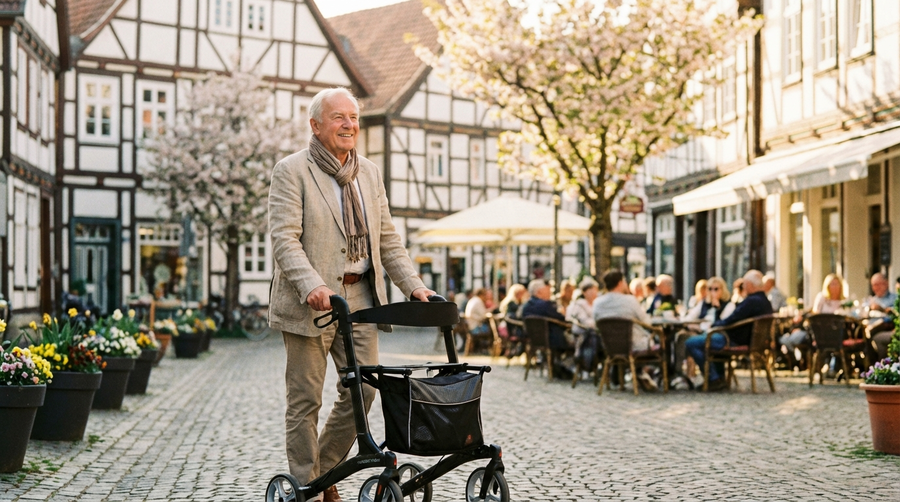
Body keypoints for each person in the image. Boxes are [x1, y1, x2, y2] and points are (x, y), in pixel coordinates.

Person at [268, 87, 435, 502]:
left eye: (354, 118)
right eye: (339, 117)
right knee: (305, 399)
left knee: (365, 387)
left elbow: (387, 240)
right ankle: (309, 486)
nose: (349, 125)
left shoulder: (369, 173)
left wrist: (413, 285)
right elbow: (284, 240)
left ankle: (323, 473)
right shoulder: (292, 171)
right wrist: (313, 285)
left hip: (361, 300)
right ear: (316, 126)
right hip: (314, 304)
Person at [684, 270, 773, 390]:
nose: (744, 287)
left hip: (734, 340)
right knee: (709, 340)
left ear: (751, 285)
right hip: (746, 340)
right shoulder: (765, 302)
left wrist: (715, 326)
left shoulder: (751, 301)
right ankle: (718, 378)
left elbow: (731, 319)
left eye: (745, 284)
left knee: (691, 342)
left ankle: (714, 378)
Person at [594, 269, 657, 389]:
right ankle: (642, 372)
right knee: (659, 340)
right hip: (634, 345)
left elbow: (596, 324)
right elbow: (647, 322)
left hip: (609, 346)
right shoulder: (630, 301)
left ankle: (633, 373)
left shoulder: (597, 303)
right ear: (620, 283)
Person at [521, 279, 572, 351]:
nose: (549, 292)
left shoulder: (526, 306)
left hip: (531, 339)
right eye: (547, 290)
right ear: (539, 291)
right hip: (551, 339)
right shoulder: (545, 305)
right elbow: (561, 319)